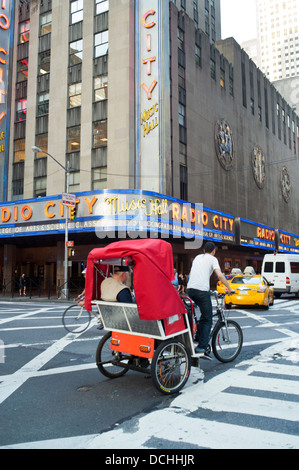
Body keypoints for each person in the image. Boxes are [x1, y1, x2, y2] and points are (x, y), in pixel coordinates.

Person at [187, 241, 234, 360]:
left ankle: (198, 336)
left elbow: (191, 274)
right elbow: (220, 275)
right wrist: (229, 288)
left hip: (190, 289)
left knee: (203, 314)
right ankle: (202, 347)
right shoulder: (213, 259)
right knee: (208, 318)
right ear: (213, 251)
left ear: (203, 250)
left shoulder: (197, 257)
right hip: (202, 291)